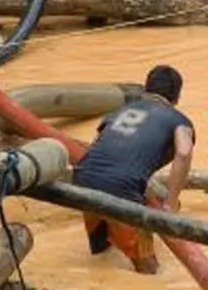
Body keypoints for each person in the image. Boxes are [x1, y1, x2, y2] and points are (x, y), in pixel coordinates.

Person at [72, 65, 195, 274]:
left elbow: (97, 145)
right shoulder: (178, 120)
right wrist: (170, 205)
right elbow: (183, 153)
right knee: (149, 272)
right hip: (121, 187)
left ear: (146, 89)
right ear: (177, 95)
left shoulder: (118, 111)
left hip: (83, 179)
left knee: (101, 255)